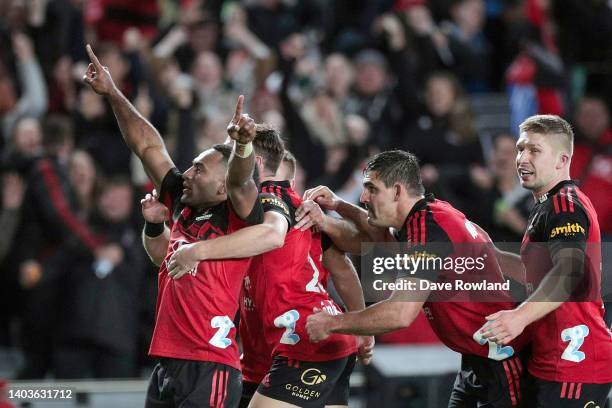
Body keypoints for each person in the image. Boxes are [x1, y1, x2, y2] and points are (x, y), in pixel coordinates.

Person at [83, 44, 263, 407]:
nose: (189, 172)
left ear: (220, 185)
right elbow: (148, 146)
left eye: (199, 168)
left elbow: (242, 181)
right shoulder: (182, 201)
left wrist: (242, 147)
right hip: (168, 363)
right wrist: (113, 92)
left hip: (211, 365)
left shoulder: (238, 213)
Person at [299, 150, 530, 407]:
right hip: (479, 361)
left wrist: (332, 323)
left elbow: (400, 313)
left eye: (371, 189)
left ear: (397, 192)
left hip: (502, 364)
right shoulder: (435, 215)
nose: (364, 197)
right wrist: (338, 205)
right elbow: (379, 237)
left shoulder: (427, 230)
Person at [165, 134, 365, 408]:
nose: (228, 165)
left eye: (233, 157)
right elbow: (342, 267)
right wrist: (363, 328)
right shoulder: (297, 210)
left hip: (304, 339)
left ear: (253, 162)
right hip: (278, 348)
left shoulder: (270, 197)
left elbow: (276, 234)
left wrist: (197, 251)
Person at [480, 115, 612, 407]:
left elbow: (569, 272)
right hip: (554, 360)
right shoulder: (549, 204)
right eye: (520, 149)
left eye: (534, 150)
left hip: (573, 366)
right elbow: (540, 274)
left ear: (561, 159)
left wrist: (518, 317)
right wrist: (495, 256)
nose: (522, 158)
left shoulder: (565, 205)